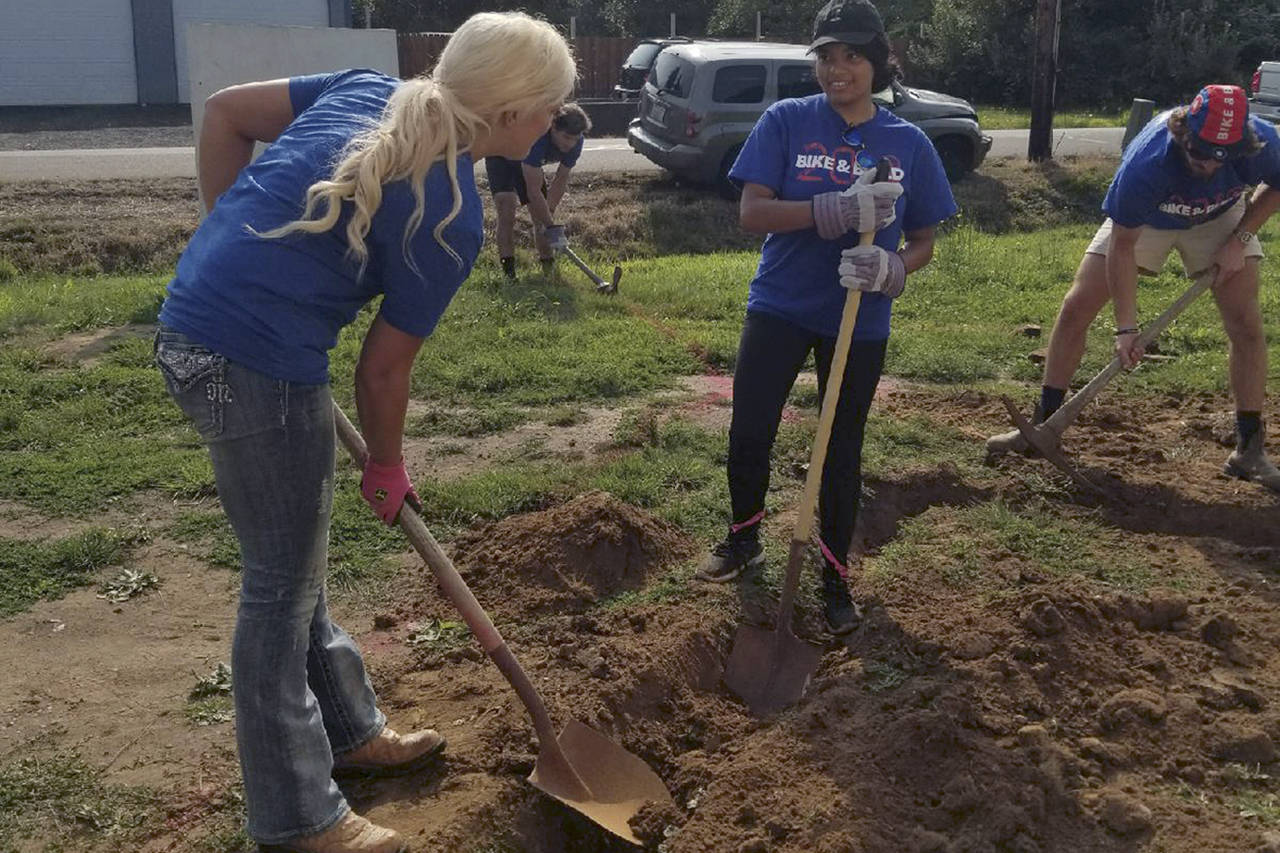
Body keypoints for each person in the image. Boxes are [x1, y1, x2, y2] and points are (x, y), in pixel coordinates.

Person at [153, 13, 575, 853]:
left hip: (202, 329)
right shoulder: (450, 216)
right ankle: (297, 815)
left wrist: (224, 235)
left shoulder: (364, 88)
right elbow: (382, 372)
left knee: (292, 555)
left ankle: (348, 731)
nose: (557, 122)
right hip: (251, 363)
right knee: (278, 584)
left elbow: (225, 114)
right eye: (553, 107)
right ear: (512, 113)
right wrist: (387, 462)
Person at [697, 0, 956, 635]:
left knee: (841, 449)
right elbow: (752, 213)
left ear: (879, 62)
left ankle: (834, 579)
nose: (838, 70)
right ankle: (743, 538)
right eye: (827, 57)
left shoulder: (909, 142)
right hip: (781, 304)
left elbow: (923, 237)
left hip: (857, 318)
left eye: (853, 57)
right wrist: (827, 210)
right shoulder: (787, 121)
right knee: (752, 425)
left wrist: (896, 268)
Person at [986, 85, 1280, 492]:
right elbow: (1123, 246)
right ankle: (1044, 425)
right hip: (1149, 218)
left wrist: (1242, 237)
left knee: (1246, 324)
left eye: (1221, 160)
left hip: (1221, 215)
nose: (1209, 167)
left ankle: (1248, 449)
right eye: (1199, 155)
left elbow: (1277, 183)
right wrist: (1126, 329)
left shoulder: (1261, 141)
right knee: (1077, 306)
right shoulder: (1147, 161)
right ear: (1184, 132)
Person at [484, 102, 591, 279]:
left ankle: (548, 272)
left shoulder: (576, 143)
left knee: (541, 217)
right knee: (506, 211)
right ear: (553, 127)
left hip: (529, 165)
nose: (570, 144)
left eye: (574, 139)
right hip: (502, 156)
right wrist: (551, 225)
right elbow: (533, 192)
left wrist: (548, 214)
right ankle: (509, 275)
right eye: (566, 138)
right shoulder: (538, 138)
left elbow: (561, 179)